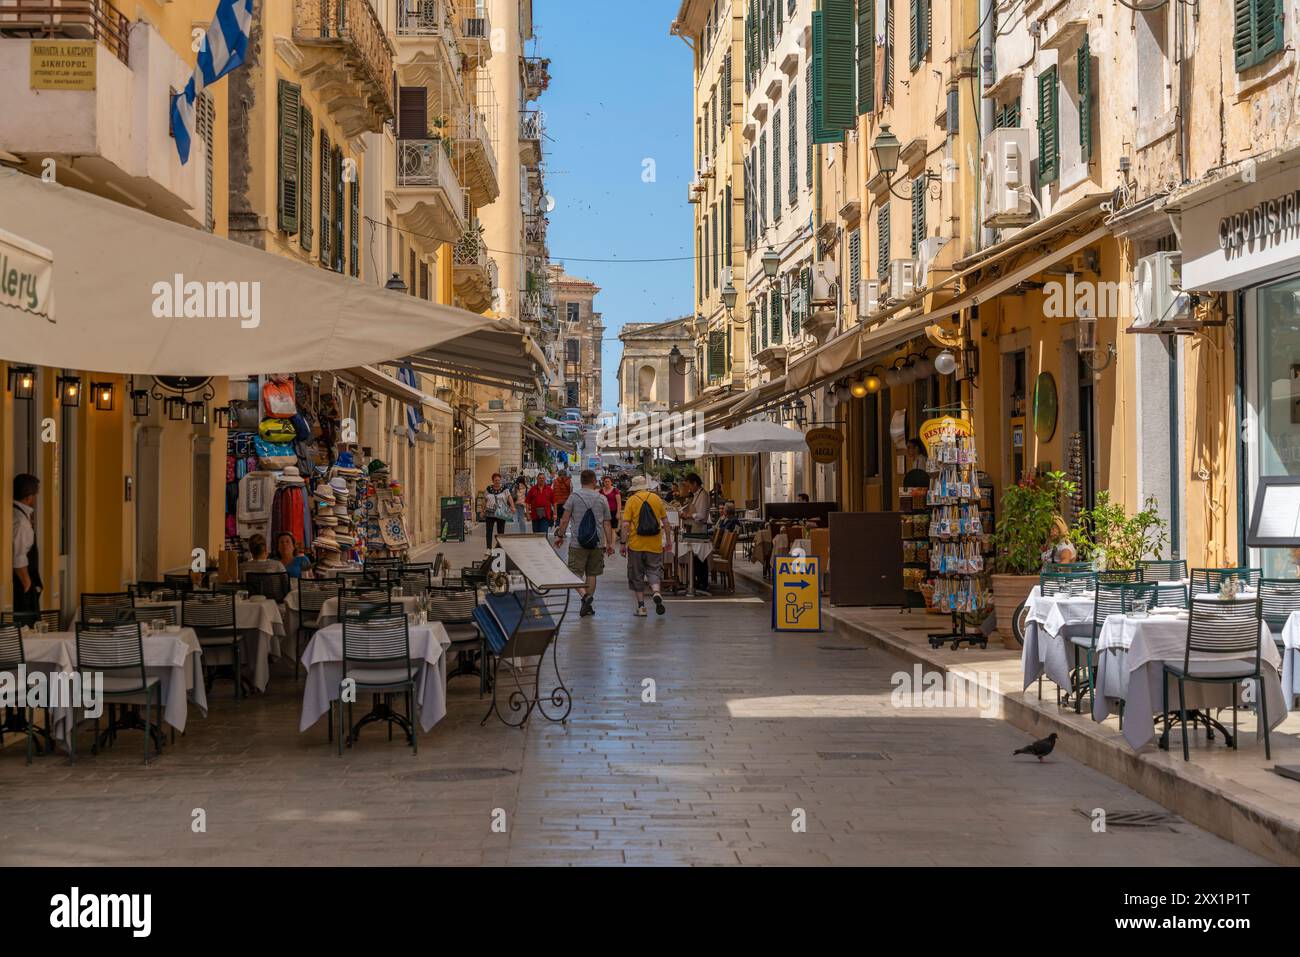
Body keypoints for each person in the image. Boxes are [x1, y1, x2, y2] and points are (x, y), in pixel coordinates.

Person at [554, 470, 615, 617]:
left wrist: (560, 535)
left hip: (577, 543)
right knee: (592, 574)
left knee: (573, 572)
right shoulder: (602, 499)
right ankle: (587, 602)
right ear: (594, 481)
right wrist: (609, 544)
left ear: (581, 481)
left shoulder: (574, 497)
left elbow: (565, 519)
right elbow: (607, 524)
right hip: (597, 543)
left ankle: (585, 597)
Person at [621, 474, 669, 617]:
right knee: (653, 571)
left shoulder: (631, 500)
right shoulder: (657, 499)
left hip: (636, 544)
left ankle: (641, 607)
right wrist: (669, 541)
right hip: (654, 543)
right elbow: (665, 522)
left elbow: (625, 525)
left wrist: (623, 543)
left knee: (637, 575)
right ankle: (656, 592)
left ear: (634, 488)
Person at [12, 473, 41, 616]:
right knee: (27, 625)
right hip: (20, 580)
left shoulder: (16, 513)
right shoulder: (21, 522)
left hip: (21, 578)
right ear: (29, 497)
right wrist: (27, 582)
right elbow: (19, 555)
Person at [682, 472, 712, 595]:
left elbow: (701, 515)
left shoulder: (703, 495)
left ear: (695, 483)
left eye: (689, 485)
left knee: (700, 557)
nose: (688, 488)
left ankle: (703, 583)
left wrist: (689, 515)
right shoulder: (695, 495)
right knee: (695, 557)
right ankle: (697, 581)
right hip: (695, 528)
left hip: (700, 529)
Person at [483, 473, 515, 549]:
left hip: (501, 513)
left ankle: (499, 548)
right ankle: (489, 549)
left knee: (500, 532)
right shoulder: (489, 488)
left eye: (498, 480)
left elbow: (509, 497)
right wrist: (482, 510)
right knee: (489, 532)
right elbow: (484, 500)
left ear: (500, 480)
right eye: (495, 480)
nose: (497, 481)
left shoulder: (504, 488)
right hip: (489, 513)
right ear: (492, 481)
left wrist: (512, 507)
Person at [599, 475, 622, 542]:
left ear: (611, 482)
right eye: (605, 481)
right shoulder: (601, 491)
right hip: (603, 512)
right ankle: (606, 544)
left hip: (613, 511)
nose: (607, 483)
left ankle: (612, 545)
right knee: (605, 528)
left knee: (613, 528)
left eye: (608, 481)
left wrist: (618, 513)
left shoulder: (615, 490)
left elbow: (619, 503)